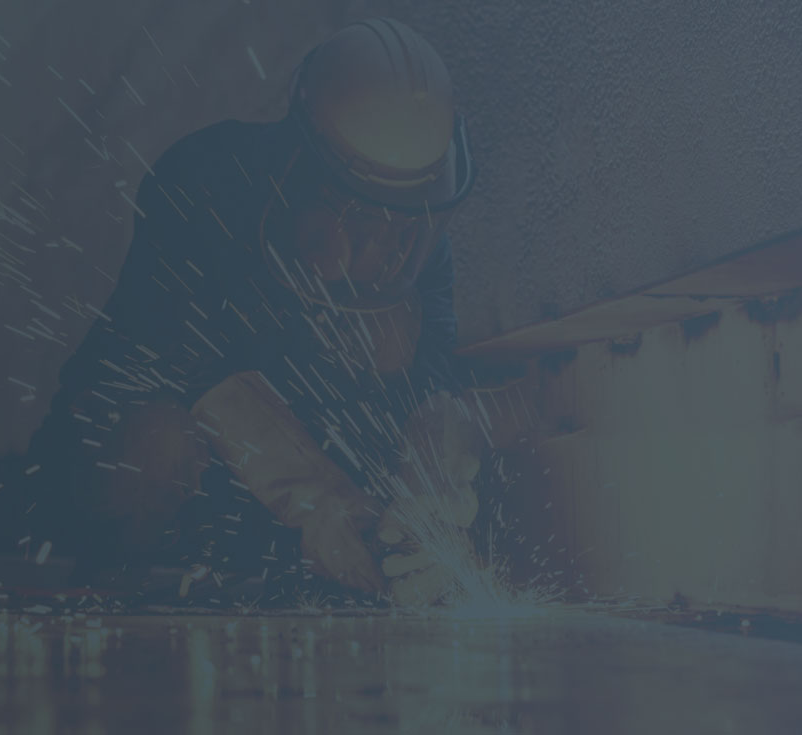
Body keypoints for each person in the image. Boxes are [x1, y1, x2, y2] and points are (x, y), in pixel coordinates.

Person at [24, 18, 485, 606]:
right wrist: (320, 505)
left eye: (409, 221)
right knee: (159, 446)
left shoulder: (414, 249)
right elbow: (198, 367)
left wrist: (432, 502)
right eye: (372, 218)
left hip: (282, 506)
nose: (393, 247)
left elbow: (435, 381)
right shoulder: (204, 179)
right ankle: (112, 593)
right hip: (138, 471)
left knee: (398, 331)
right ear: (316, 184)